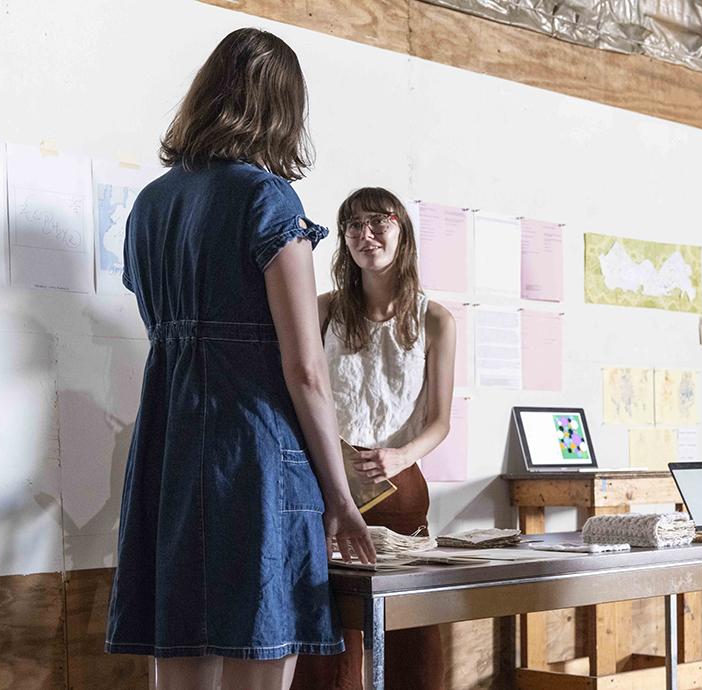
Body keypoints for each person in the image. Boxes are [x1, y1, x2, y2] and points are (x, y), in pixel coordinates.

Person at [106, 28, 375, 690]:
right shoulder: (268, 199)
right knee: (261, 637)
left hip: (170, 453)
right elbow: (305, 368)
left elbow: (164, 330)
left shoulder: (149, 206)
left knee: (181, 645)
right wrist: (341, 497)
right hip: (255, 457)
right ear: (283, 110)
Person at [291, 187, 458, 689]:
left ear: (401, 229)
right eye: (353, 226)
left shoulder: (435, 320)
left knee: (412, 641)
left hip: (400, 489)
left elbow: (440, 421)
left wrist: (401, 456)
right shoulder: (323, 310)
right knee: (328, 643)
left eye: (378, 222)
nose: (366, 235)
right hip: (327, 487)